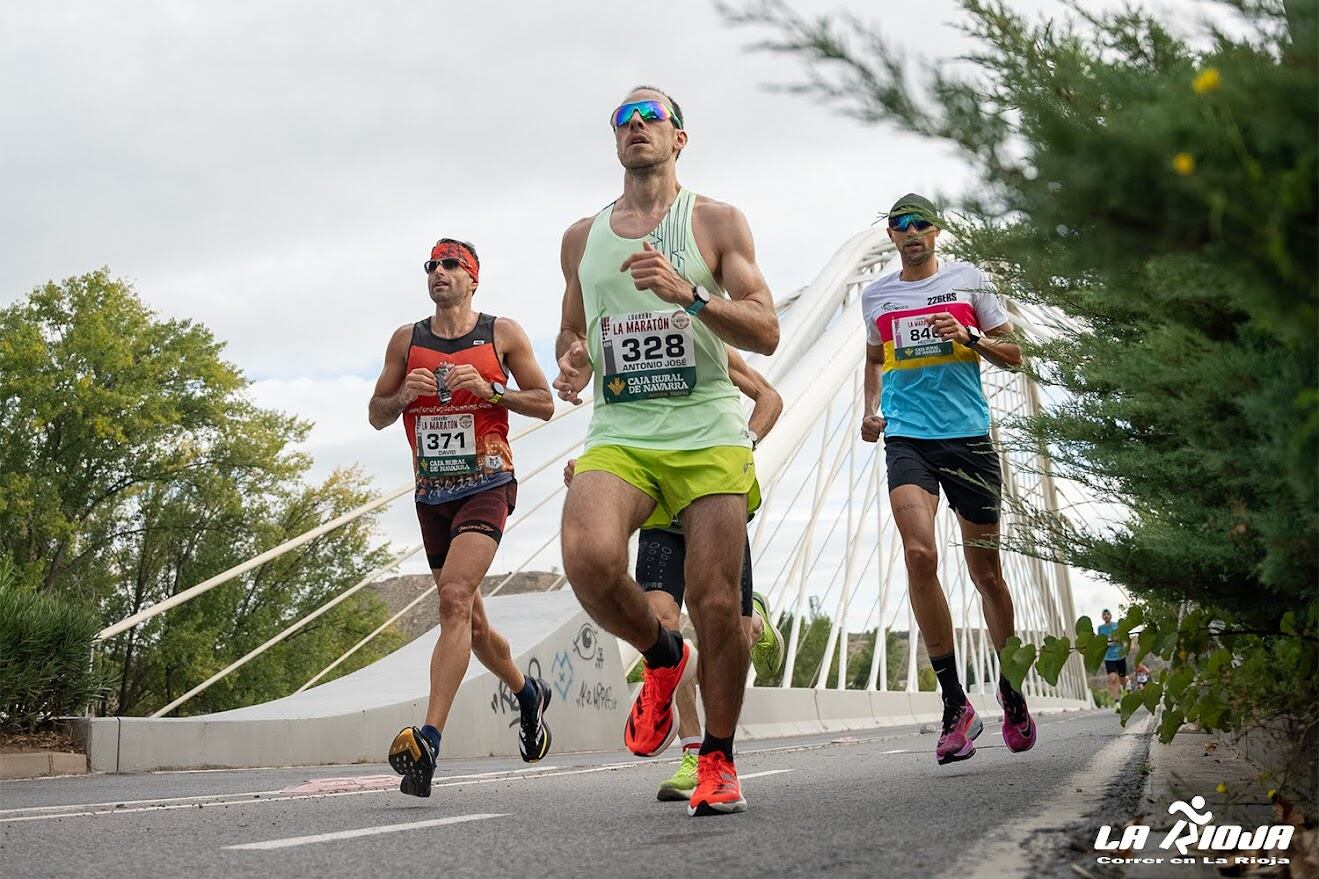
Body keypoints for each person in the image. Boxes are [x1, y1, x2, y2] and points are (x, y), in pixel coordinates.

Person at [554, 86, 779, 816]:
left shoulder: (714, 221)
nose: (636, 126)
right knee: (587, 558)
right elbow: (571, 328)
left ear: (679, 138)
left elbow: (764, 329)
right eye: (623, 118)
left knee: (717, 606)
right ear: (613, 141)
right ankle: (660, 654)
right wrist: (573, 359)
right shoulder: (581, 238)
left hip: (705, 428)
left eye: (651, 117)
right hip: (620, 430)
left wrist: (688, 295)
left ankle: (715, 757)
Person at [369, 238, 556, 797]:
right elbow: (376, 415)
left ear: (474, 279)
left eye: (451, 265)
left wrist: (494, 390)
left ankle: (429, 742)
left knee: (452, 598)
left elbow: (544, 402)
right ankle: (528, 695)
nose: (438, 273)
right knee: (471, 626)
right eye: (431, 266)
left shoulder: (502, 334)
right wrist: (403, 394)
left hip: (487, 485)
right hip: (433, 497)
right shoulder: (407, 340)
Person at [859, 193, 1037, 766]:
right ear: (890, 237)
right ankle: (954, 701)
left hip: (970, 440)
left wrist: (970, 339)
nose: (910, 233)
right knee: (918, 553)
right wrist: (871, 408)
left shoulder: (970, 282)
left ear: (937, 232)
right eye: (899, 226)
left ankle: (1010, 690)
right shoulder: (876, 295)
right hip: (908, 438)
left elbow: (1015, 354)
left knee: (987, 573)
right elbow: (874, 357)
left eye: (920, 224)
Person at [561, 348, 786, 802]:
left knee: (728, 633)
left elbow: (769, 396)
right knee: (663, 624)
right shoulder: (623, 345)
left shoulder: (710, 345)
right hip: (662, 515)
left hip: (714, 495)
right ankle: (692, 750)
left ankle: (755, 625)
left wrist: (748, 439)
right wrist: (592, 474)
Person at [1097, 609, 1129, 699]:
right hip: (1108, 656)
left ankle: (1123, 691)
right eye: (1104, 614)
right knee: (1112, 678)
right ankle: (1117, 701)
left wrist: (1118, 638)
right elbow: (1100, 641)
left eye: (1108, 614)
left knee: (1122, 678)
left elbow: (1123, 637)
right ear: (1102, 617)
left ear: (1111, 616)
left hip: (1119, 654)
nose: (1106, 616)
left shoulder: (1116, 625)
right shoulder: (1100, 628)